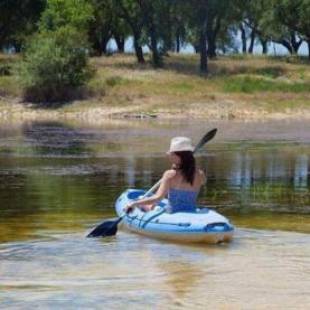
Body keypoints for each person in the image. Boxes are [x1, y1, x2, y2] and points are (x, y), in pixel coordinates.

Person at [126, 137, 206, 213]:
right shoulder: (200, 174)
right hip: (191, 210)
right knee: (149, 203)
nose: (167, 154)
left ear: (178, 156)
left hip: (172, 212)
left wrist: (134, 204)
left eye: (171, 153)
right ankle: (151, 207)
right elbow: (202, 182)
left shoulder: (169, 175)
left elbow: (158, 198)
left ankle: (149, 207)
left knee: (141, 202)